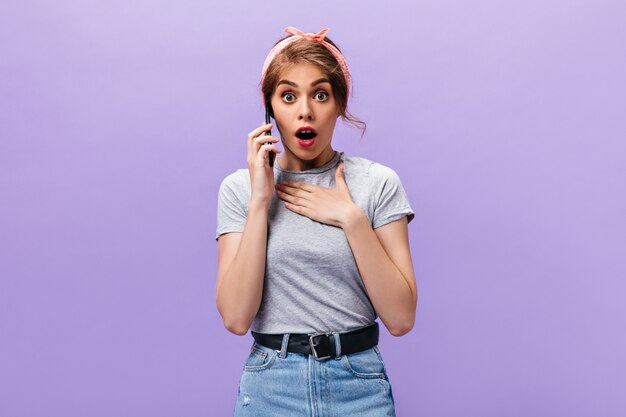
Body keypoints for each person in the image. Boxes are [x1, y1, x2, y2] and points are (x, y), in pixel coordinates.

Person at [215, 26, 417, 417]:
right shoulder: (240, 189)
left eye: (320, 94)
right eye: (288, 96)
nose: (305, 110)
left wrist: (351, 218)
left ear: (339, 104)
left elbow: (401, 318)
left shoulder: (377, 183)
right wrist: (261, 201)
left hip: (358, 385)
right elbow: (237, 318)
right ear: (270, 108)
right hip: (272, 385)